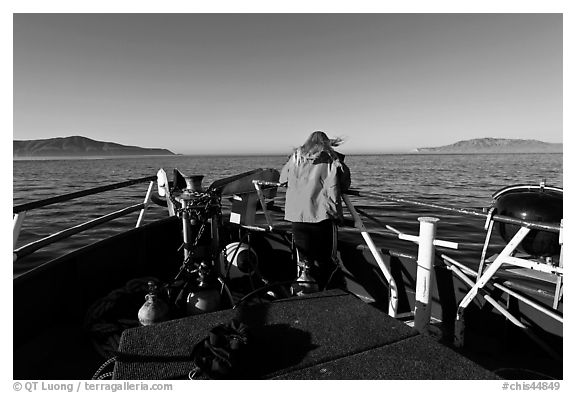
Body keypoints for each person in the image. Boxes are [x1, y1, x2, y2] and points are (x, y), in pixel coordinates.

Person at [279, 131, 351, 295]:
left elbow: (282, 179)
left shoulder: (295, 157)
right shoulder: (331, 159)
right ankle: (334, 293)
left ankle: (304, 295)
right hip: (323, 217)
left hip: (298, 217)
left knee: (304, 263)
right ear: (326, 143)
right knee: (328, 261)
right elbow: (344, 183)